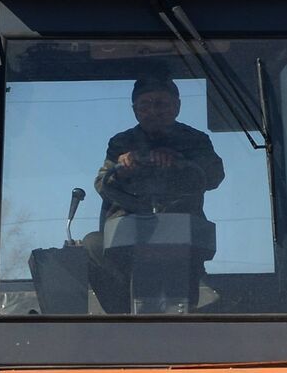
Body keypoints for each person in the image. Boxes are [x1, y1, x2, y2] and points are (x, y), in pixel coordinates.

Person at [86, 76, 225, 313]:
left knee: (182, 244)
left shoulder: (196, 141)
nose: (153, 111)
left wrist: (180, 162)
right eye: (145, 105)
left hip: (180, 230)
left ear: (177, 107)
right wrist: (121, 169)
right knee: (93, 244)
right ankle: (121, 318)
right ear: (135, 111)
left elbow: (214, 176)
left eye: (161, 103)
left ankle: (180, 312)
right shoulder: (121, 142)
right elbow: (102, 183)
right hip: (127, 230)